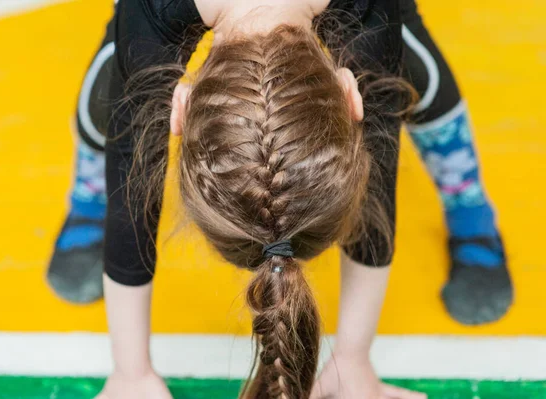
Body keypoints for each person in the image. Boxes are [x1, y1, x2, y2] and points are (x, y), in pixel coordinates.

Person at [47, 0, 512, 327]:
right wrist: (131, 375)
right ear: (181, 104)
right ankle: (92, 197)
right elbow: (133, 161)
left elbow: (378, 167)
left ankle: (468, 206)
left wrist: (352, 360)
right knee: (120, 90)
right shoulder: (154, 8)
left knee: (412, 69)